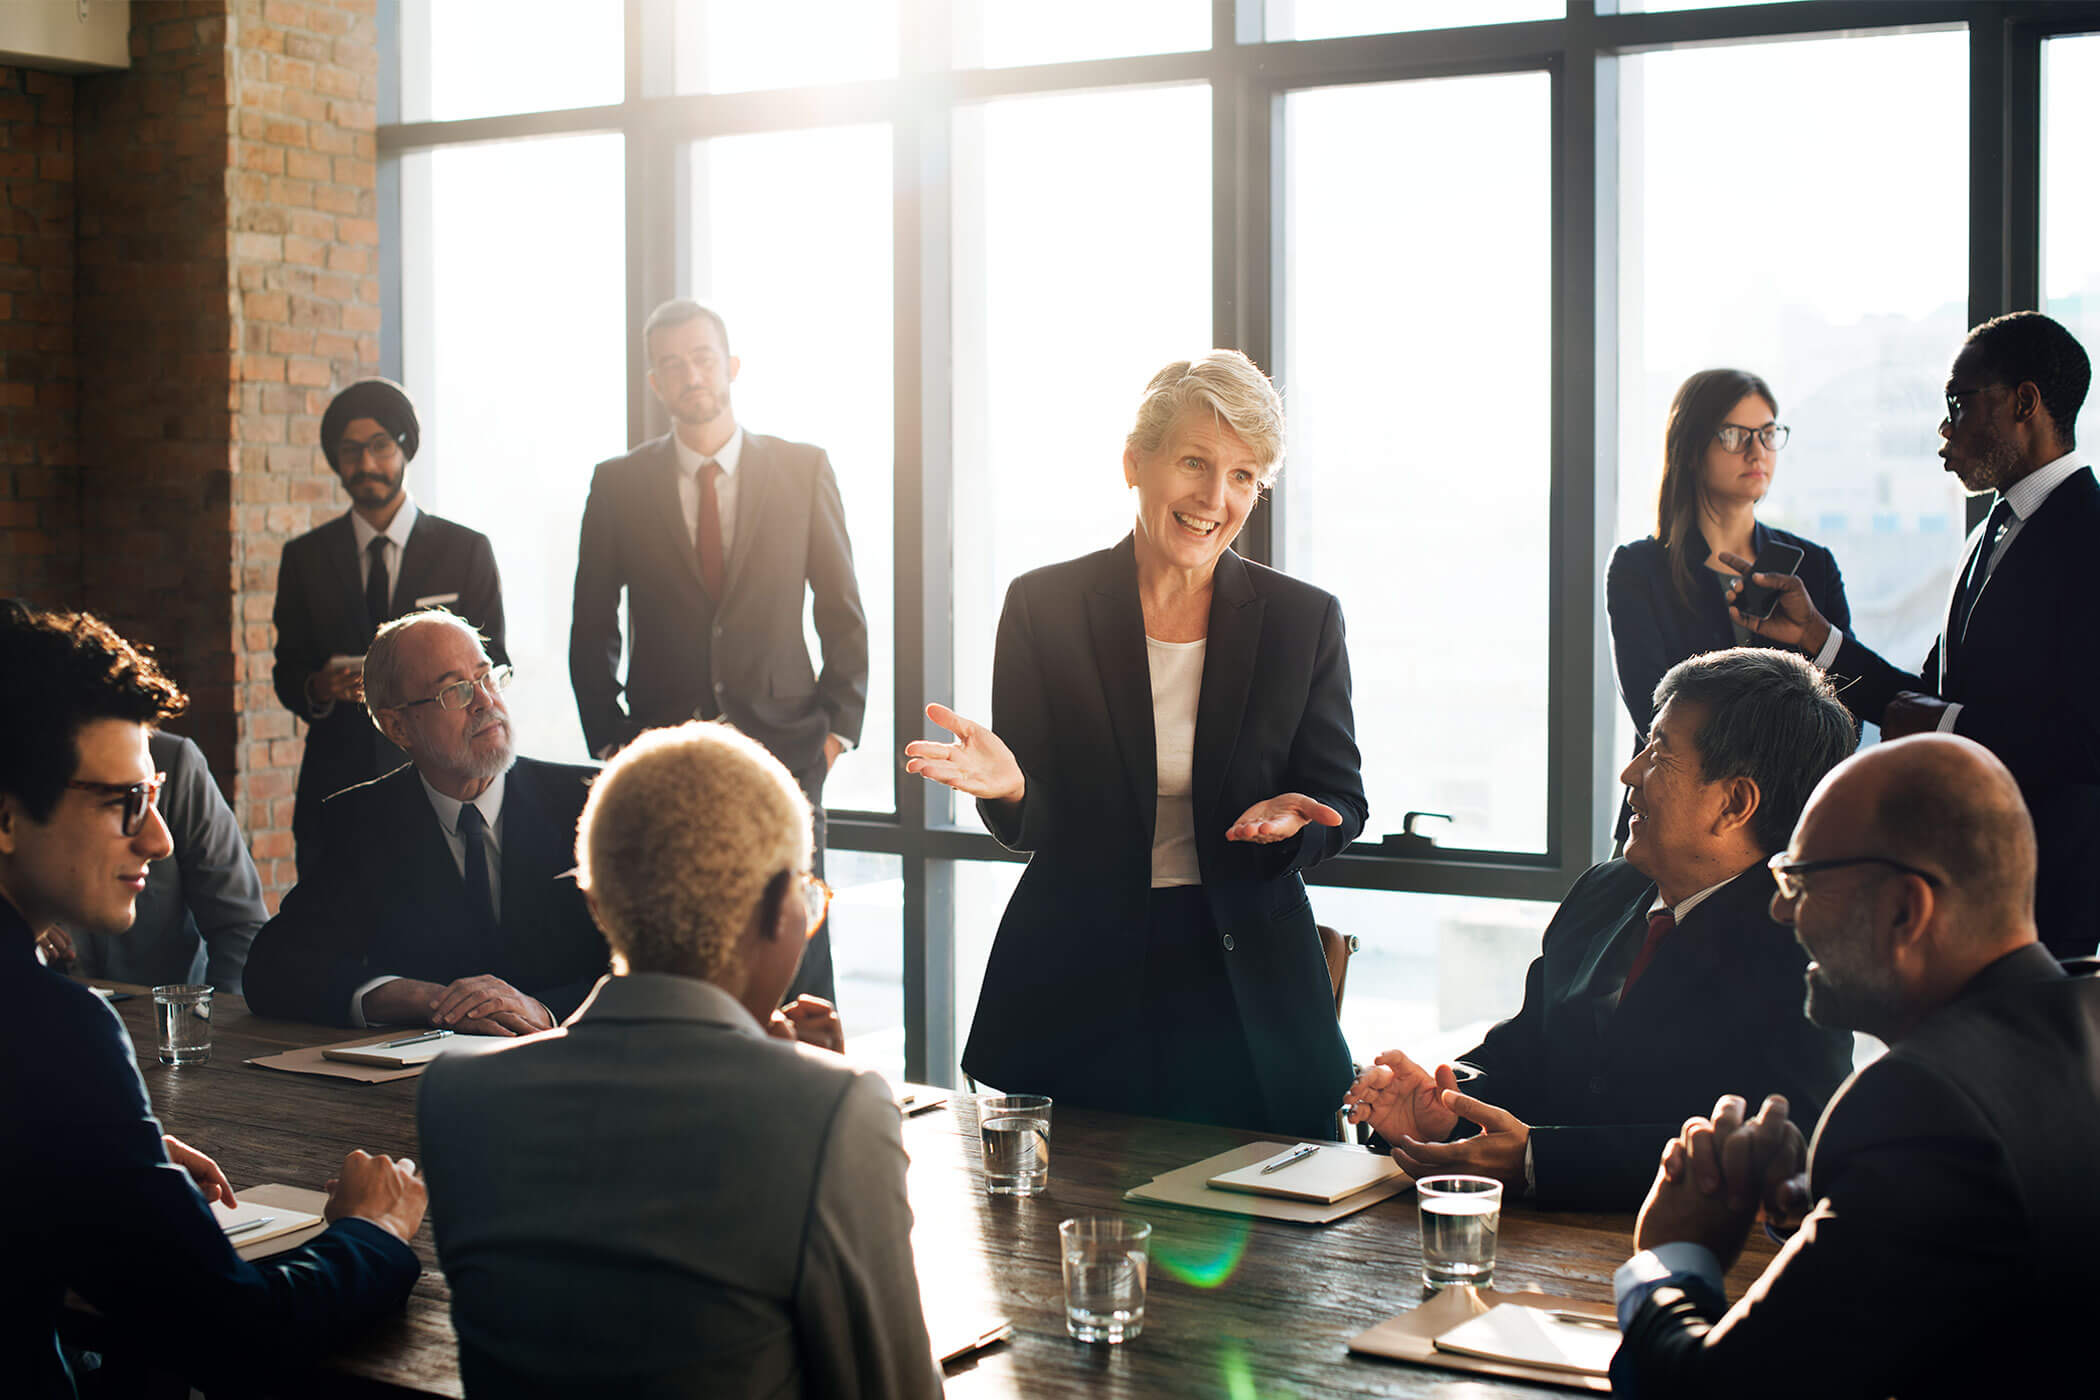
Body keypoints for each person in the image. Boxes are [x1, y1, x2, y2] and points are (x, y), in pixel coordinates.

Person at [907, 351, 1363, 1140]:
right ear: (1134, 461)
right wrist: (1014, 790)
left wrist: (1300, 823)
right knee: (1055, 1236)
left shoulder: (1303, 620)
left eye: (1243, 476)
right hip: (1080, 974)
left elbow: (1341, 799)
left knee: (1274, 1248)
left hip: (1243, 981)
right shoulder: (1043, 606)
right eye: (1194, 462)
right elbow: (1038, 818)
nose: (1214, 498)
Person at [418, 722, 938, 1398]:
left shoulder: (455, 1098)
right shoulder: (835, 1113)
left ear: (596, 903)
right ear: (783, 909)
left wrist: (784, 1074)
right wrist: (814, 1095)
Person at [0, 607, 426, 1400]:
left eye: (155, 794)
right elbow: (238, 1332)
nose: (157, 839)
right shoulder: (56, 1033)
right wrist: (375, 1232)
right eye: (124, 800)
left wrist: (111, 1150)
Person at [1612, 733, 2100, 1397]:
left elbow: (1713, 1392)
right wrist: (1817, 1206)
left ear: (1905, 909)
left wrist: (1670, 1256)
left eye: (1801, 880)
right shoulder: (2082, 1018)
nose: (1780, 909)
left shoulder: (1925, 1102)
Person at [1345, 649, 1856, 1209]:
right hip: (1532, 1249)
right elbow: (1526, 1051)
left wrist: (1541, 1161)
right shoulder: (1605, 891)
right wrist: (1444, 1103)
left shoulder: (1801, 942)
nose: (1630, 773)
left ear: (1734, 802)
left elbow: (1790, 1142)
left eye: (1658, 755)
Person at [1733, 312, 2098, 958]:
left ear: (2025, 402)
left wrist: (1948, 729)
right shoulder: (1988, 534)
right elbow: (1921, 700)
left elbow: (2085, 738)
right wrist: (1819, 637)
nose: (1943, 427)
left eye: (1959, 400)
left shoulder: (2090, 537)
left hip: (2051, 911)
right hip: (1963, 888)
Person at [570, 299, 867, 1005]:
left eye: (702, 358)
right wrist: (613, 742)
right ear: (655, 383)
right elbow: (591, 625)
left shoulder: (802, 469)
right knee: (675, 939)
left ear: (730, 366)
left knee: (797, 936)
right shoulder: (618, 484)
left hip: (788, 752)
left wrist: (835, 735)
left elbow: (842, 611)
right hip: (664, 752)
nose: (690, 375)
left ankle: (817, 1092)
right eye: (672, 364)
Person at [244, 610, 607, 1030]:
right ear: (398, 726)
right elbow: (274, 969)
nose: (486, 702)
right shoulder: (362, 821)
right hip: (420, 1082)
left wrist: (544, 1011)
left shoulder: (590, 799)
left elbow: (660, 967)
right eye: (455, 691)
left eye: (487, 677)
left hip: (576, 1067)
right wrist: (417, 997)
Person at [1605, 369, 1850, 844]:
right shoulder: (1640, 568)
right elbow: (1653, 706)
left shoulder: (1813, 566)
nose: (1756, 450)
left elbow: (1839, 708)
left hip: (1784, 824)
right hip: (1670, 816)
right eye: (1735, 434)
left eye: (1767, 433)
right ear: (1692, 447)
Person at [273, 378, 507, 874]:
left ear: (405, 448)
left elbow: (498, 659)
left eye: (380, 446)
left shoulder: (465, 551)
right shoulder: (305, 558)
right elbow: (287, 672)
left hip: (443, 778)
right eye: (351, 451)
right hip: (335, 783)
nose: (366, 464)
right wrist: (319, 686)